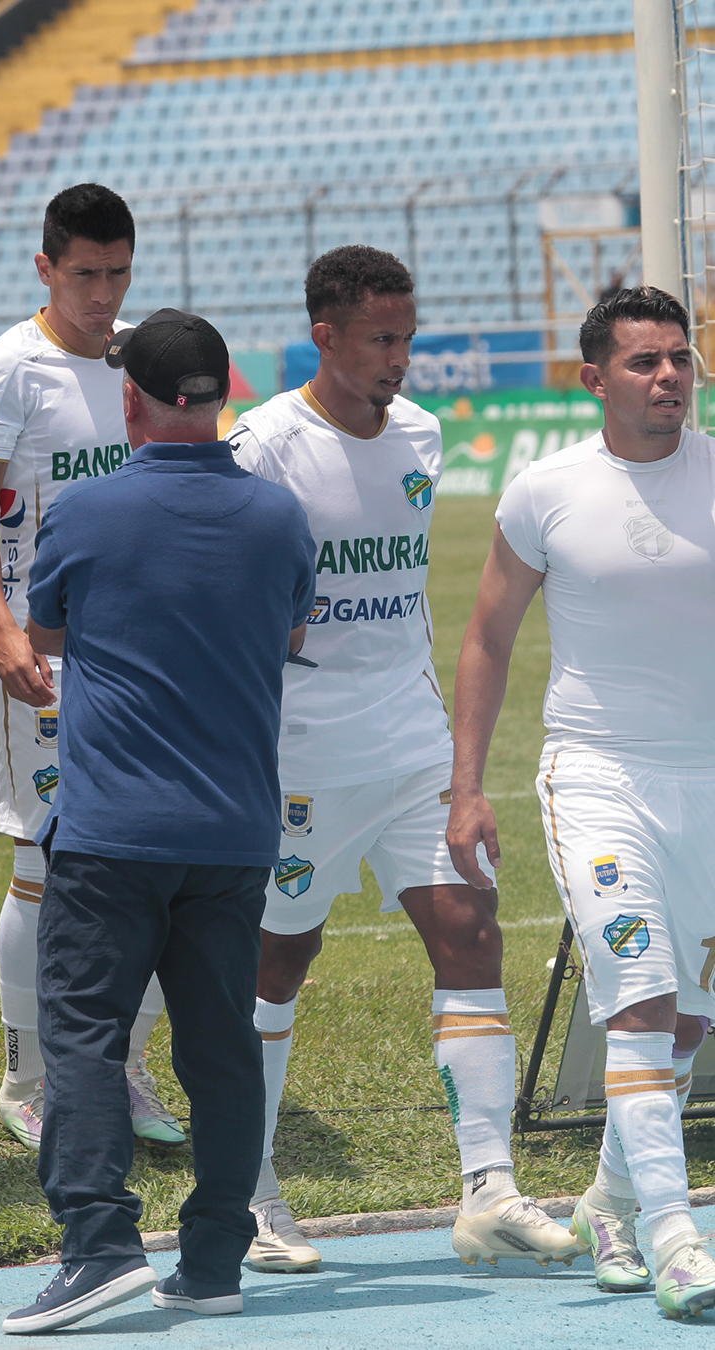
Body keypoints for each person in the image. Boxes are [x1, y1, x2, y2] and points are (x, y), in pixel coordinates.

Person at [228, 244, 578, 1273]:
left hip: (413, 747)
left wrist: (466, 779)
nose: (399, 359)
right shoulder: (264, 445)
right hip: (297, 759)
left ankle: (489, 1191)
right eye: (381, 339)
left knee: (471, 931)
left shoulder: (422, 434)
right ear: (324, 336)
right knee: (278, 960)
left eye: (408, 339)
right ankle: (250, 1191)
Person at [2, 309, 318, 1334]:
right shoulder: (279, 516)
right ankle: (214, 1260)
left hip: (114, 829)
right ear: (222, 391)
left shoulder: (89, 510)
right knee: (220, 1046)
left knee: (83, 1036)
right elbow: (292, 630)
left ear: (129, 398)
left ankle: (97, 1244)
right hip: (234, 828)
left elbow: (46, 629)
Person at [448, 285, 715, 1319]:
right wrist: (468, 787)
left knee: (686, 1024)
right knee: (641, 1001)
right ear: (595, 378)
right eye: (646, 361)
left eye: (681, 357)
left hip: (707, 781)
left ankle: (609, 1201)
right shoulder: (545, 490)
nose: (670, 376)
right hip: (598, 777)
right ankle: (677, 1238)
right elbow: (487, 637)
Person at [0, 183, 182, 1151]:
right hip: (45, 655)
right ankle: (27, 1078)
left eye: (118, 272)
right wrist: (4, 630)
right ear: (45, 268)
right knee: (46, 864)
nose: (103, 293)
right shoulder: (4, 371)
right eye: (85, 273)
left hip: (149, 655)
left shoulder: (146, 359)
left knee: (162, 864)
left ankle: (122, 1062)